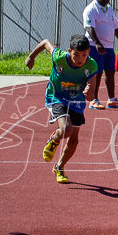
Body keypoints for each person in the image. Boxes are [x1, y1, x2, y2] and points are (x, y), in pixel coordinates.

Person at [26, 34, 98, 184]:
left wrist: (89, 92)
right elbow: (46, 42)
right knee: (66, 129)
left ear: (89, 53)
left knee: (74, 140)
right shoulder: (59, 57)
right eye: (76, 54)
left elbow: (91, 95)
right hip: (56, 96)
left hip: (76, 100)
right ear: (69, 51)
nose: (80, 59)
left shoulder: (91, 65)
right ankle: (54, 139)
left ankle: (59, 167)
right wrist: (32, 57)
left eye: (84, 55)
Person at [83, 0, 118, 110]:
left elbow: (116, 27)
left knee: (110, 72)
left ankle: (111, 99)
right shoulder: (91, 9)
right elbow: (89, 27)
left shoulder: (109, 9)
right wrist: (97, 43)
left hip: (108, 46)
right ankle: (94, 99)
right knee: (96, 72)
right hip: (94, 45)